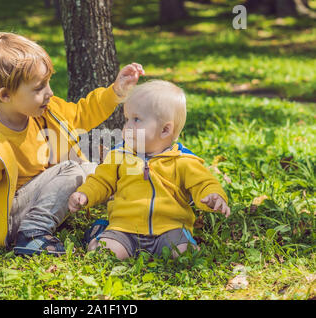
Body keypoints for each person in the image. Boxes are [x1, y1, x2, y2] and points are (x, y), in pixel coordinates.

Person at [0, 32, 145, 254]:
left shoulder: (43, 111)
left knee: (96, 168)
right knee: (73, 169)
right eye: (39, 88)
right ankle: (32, 233)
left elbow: (81, 114)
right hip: (7, 219)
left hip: (36, 196)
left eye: (48, 83)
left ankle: (138, 210)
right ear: (6, 95)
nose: (50, 92)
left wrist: (115, 92)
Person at [68, 80, 230, 260]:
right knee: (104, 253)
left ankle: (179, 246)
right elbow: (101, 181)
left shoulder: (183, 160)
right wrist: (85, 194)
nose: (127, 125)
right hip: (124, 228)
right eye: (127, 119)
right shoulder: (120, 155)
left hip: (170, 229)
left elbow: (204, 183)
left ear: (165, 130)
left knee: (185, 254)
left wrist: (213, 196)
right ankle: (100, 233)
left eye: (136, 119)